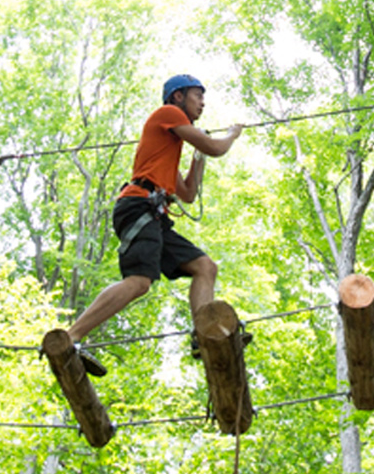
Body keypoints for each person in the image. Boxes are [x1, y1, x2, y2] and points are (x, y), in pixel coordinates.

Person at [58, 74, 245, 375]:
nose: (203, 103)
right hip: (138, 205)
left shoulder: (166, 151)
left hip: (154, 214)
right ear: (178, 97)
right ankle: (70, 336)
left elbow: (188, 194)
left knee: (205, 267)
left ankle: (202, 335)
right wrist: (231, 135)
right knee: (139, 282)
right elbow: (215, 146)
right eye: (197, 95)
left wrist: (197, 157)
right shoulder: (167, 114)